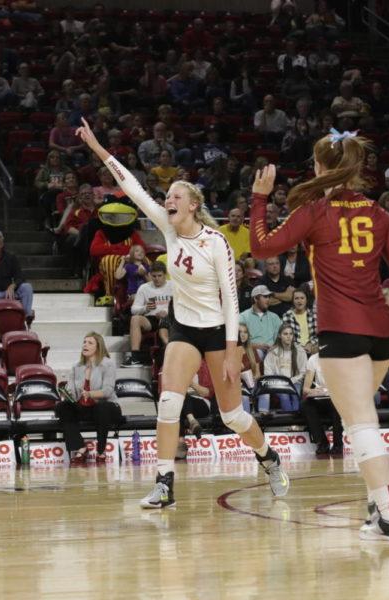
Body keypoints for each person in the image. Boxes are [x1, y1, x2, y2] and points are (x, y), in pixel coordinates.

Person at [77, 117, 289, 508]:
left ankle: (269, 458)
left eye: (176, 196)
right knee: (169, 402)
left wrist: (230, 352)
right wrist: (96, 147)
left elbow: (231, 300)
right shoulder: (169, 228)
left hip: (219, 332)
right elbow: (132, 187)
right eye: (167, 195)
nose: (168, 200)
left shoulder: (216, 243)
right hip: (184, 329)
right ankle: (164, 484)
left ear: (193, 205)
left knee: (233, 417)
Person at [248, 130, 389, 541]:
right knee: (361, 418)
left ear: (320, 167)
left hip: (341, 330)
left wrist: (259, 198)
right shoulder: (380, 214)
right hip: (380, 331)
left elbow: (261, 246)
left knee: (360, 422)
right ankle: (377, 507)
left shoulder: (315, 211)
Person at [56, 332, 122, 464]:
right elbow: (74, 396)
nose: (85, 345)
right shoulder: (76, 367)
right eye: (84, 342)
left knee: (101, 407)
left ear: (98, 347)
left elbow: (108, 391)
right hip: (87, 408)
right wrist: (66, 392)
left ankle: (101, 451)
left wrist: (90, 394)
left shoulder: (107, 364)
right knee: (62, 407)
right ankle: (80, 446)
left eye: (90, 343)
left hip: (108, 407)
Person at [122, 261, 172, 367]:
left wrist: (167, 312)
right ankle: (135, 357)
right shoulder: (144, 288)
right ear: (149, 275)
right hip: (151, 318)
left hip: (170, 318)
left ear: (165, 275)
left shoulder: (173, 286)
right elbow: (134, 309)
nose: (157, 279)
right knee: (135, 319)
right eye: (154, 276)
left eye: (159, 276)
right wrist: (145, 308)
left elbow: (180, 305)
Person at [301, 351, 343, 455]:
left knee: (337, 404)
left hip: (337, 396)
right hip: (321, 397)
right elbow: (305, 389)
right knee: (306, 404)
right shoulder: (313, 359)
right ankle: (322, 443)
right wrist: (313, 391)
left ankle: (338, 444)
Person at [262, 324, 307, 411]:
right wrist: (281, 382)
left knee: (295, 395)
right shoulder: (273, 353)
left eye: (291, 334)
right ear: (279, 336)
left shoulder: (300, 351)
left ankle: (294, 420)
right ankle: (291, 420)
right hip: (279, 384)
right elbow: (268, 374)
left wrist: (291, 381)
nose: (288, 336)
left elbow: (303, 372)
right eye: (285, 334)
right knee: (284, 396)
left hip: (296, 382)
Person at [240, 286, 283, 357]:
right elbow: (239, 342)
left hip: (272, 351)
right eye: (265, 297)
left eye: (269, 297)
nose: (268, 299)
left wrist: (275, 347)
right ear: (255, 298)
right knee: (258, 353)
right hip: (252, 351)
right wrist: (255, 346)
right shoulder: (243, 317)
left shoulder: (274, 317)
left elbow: (280, 338)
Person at [281, 288, 318, 355]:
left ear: (306, 300)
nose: (299, 301)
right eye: (296, 298)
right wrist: (300, 347)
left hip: (312, 347)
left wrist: (310, 344)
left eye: (302, 298)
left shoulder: (313, 315)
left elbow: (318, 336)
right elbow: (286, 337)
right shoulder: (287, 316)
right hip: (294, 348)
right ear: (293, 301)